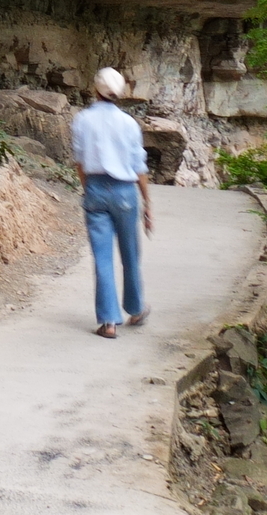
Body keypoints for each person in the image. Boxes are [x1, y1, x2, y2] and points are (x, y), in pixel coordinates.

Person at [70, 65, 151, 339]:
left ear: (96, 89)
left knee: (102, 257)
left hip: (95, 189)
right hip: (125, 192)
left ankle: (108, 322)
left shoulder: (81, 120)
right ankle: (136, 309)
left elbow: (80, 162)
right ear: (120, 92)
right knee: (130, 253)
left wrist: (89, 189)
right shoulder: (129, 123)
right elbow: (139, 167)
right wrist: (148, 203)